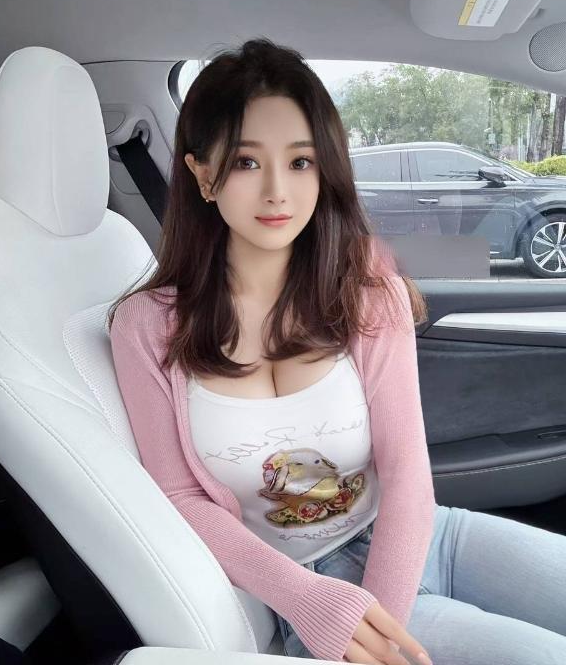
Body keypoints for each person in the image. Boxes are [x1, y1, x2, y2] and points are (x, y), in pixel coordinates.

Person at [107, 38, 566, 665]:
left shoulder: (366, 292)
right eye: (246, 161)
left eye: (301, 161)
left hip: (426, 538)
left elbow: (406, 469)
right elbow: (181, 498)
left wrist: (385, 607)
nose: (278, 191)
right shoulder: (147, 327)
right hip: (310, 592)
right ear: (203, 174)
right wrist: (313, 603)